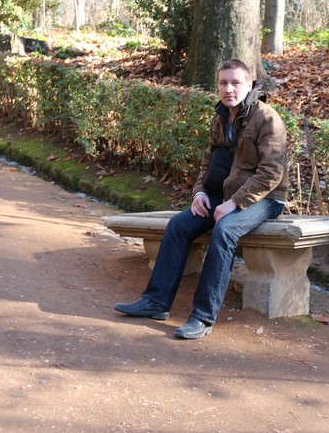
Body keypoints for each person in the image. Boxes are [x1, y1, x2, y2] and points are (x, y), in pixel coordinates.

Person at [114, 59, 289, 339]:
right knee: (178, 226)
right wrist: (199, 193)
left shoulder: (267, 119)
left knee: (225, 230)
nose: (229, 89)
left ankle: (203, 317)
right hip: (225, 195)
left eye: (236, 83)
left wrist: (235, 203)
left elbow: (271, 173)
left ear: (250, 85)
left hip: (266, 198)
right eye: (223, 83)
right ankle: (156, 302)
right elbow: (208, 163)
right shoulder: (220, 118)